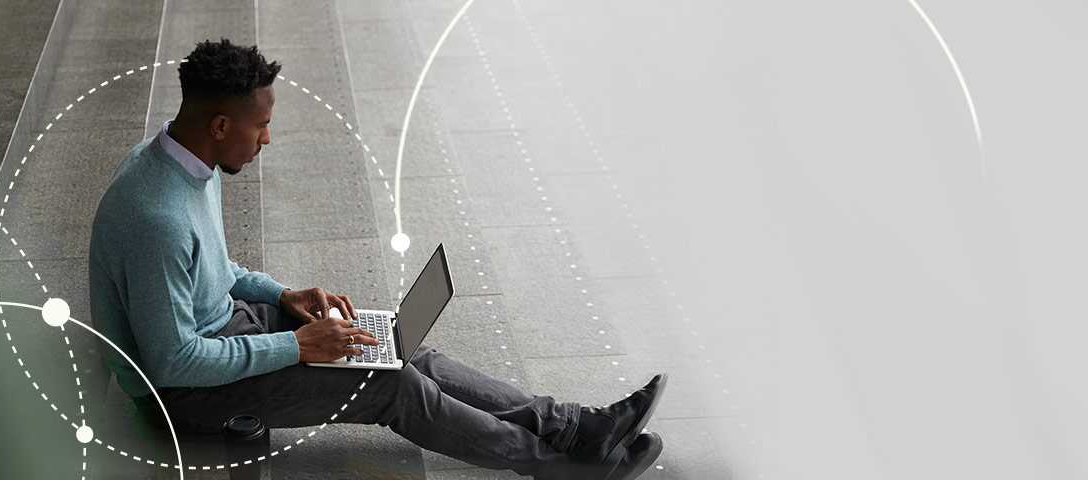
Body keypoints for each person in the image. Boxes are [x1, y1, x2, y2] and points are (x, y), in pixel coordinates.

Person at [87, 38, 665, 480]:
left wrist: (280, 295)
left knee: (398, 346)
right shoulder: (155, 216)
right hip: (187, 393)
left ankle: (574, 427)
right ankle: (561, 465)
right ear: (220, 125)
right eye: (260, 125)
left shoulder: (187, 162)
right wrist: (295, 345)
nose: (266, 139)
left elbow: (213, 269)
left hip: (228, 331)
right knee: (390, 386)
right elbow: (170, 364)